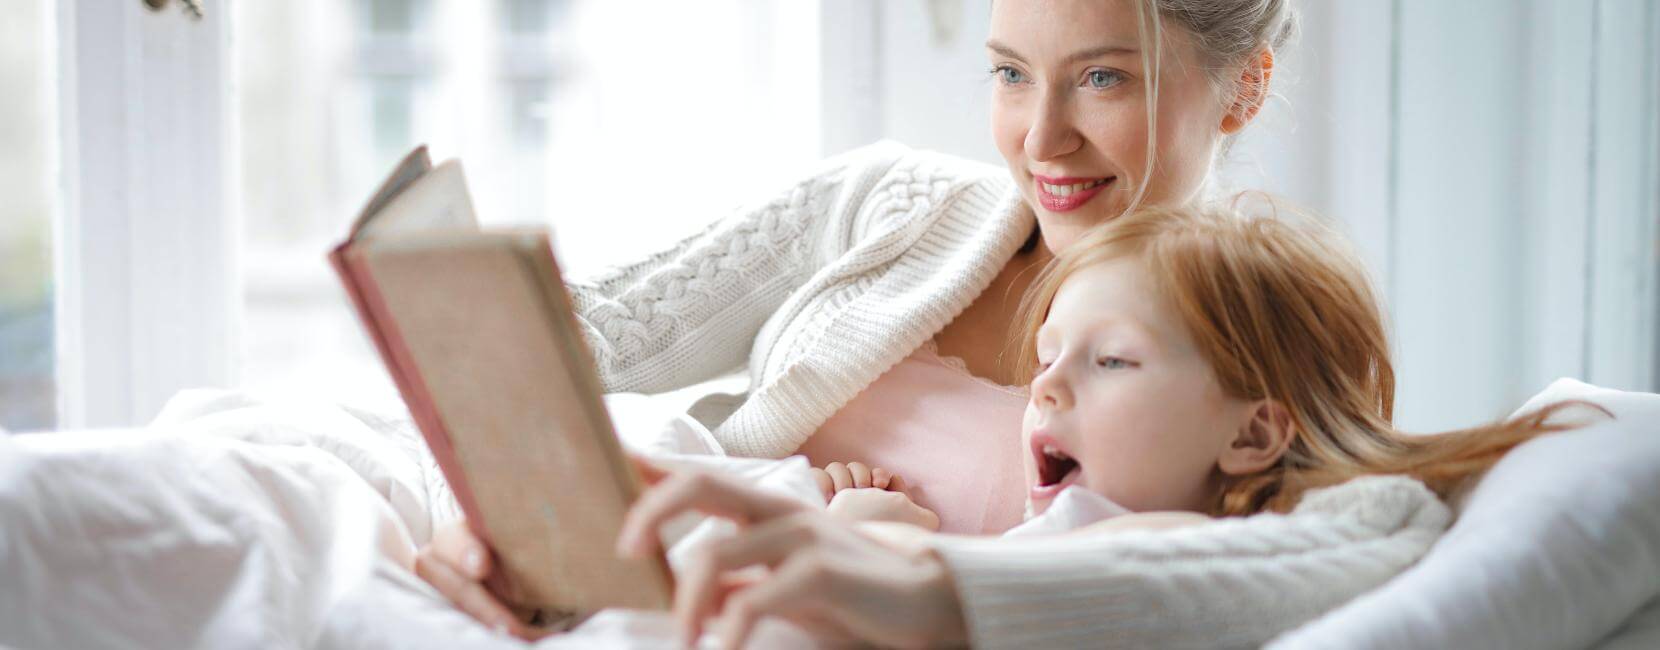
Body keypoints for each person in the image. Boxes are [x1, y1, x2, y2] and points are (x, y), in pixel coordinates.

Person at [416, 0, 1299, 638]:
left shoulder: (1261, 361)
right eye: (1010, 74)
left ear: (1244, 87)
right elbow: (563, 345)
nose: (1040, 138)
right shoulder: (891, 202)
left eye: (1102, 77)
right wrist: (506, 518)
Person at [615, 203, 1601, 648]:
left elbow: (1378, 524)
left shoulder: (1185, 539)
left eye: (1110, 358)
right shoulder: (1056, 534)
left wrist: (897, 551)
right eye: (1045, 354)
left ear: (1253, 435)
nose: (1043, 389)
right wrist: (893, 531)